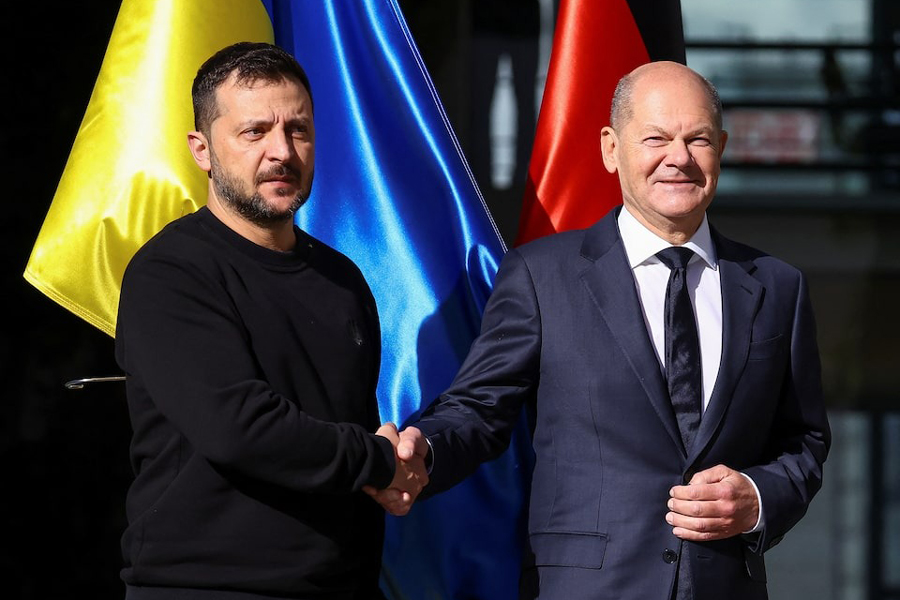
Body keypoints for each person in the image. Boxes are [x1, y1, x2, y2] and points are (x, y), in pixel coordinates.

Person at [371, 61, 831, 599]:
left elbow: (804, 440)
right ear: (611, 149)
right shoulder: (541, 276)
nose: (678, 158)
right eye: (656, 138)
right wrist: (422, 449)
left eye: (698, 139)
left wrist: (757, 497)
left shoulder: (778, 287)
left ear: (721, 148)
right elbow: (478, 409)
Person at [114, 42, 426, 600]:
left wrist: (397, 461)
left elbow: (349, 426)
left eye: (299, 130)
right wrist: (376, 460)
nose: (282, 151)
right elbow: (240, 429)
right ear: (202, 149)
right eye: (255, 132)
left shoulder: (342, 279)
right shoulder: (170, 273)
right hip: (207, 588)